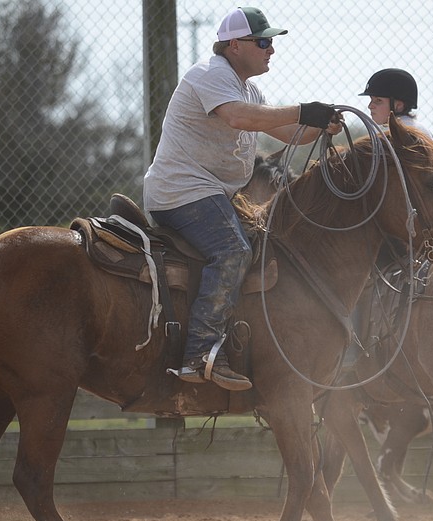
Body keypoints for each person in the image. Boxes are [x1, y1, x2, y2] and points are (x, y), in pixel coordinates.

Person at [143, 7, 341, 392]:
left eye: (272, 42)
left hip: (209, 194)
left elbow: (289, 132)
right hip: (182, 192)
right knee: (233, 251)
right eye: (263, 41)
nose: (271, 49)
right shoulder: (211, 75)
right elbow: (238, 118)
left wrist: (318, 124)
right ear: (234, 45)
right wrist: (304, 110)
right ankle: (199, 355)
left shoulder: (248, 89)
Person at [359, 68, 433, 140]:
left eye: (378, 100)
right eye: (371, 100)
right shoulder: (420, 128)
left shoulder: (402, 132)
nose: (370, 106)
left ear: (399, 106)